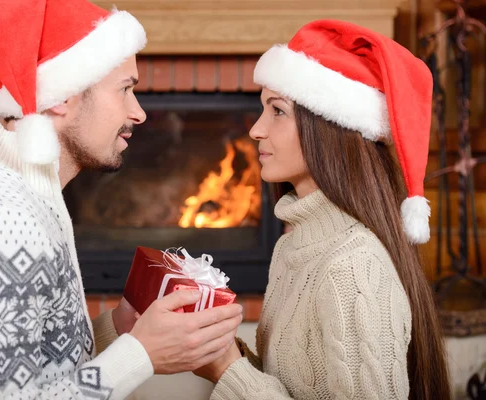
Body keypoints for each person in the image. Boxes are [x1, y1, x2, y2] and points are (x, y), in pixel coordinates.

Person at [0, 0, 242, 398]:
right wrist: (140, 355)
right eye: (125, 89)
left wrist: (119, 331)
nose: (138, 112)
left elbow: (33, 363)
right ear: (61, 97)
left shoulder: (26, 192)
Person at [193, 19, 451, 400]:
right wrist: (226, 358)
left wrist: (229, 371)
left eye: (277, 111)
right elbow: (297, 384)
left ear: (328, 129)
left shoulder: (353, 266)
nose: (256, 130)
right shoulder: (292, 248)